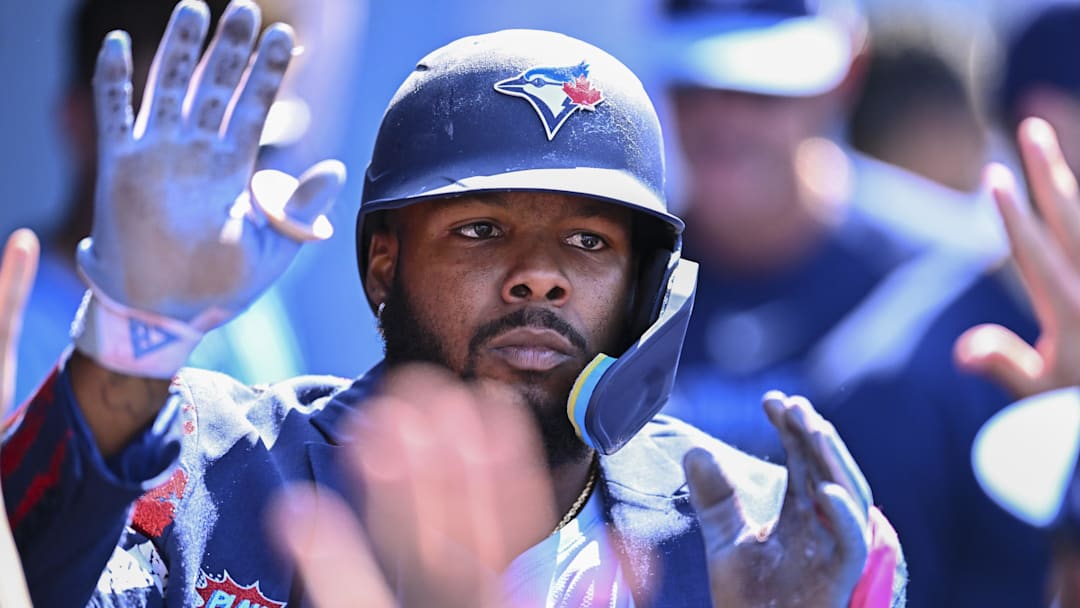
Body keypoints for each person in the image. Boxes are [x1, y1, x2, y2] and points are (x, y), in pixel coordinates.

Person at [1, 1, 906, 606]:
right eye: (480, 229)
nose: (540, 276)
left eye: (589, 242)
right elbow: (31, 570)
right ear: (382, 266)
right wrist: (128, 347)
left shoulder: (750, 536)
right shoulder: (212, 465)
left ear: (648, 290)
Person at [12, 0, 310, 409]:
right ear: (78, 121)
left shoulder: (248, 300)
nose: (222, 177)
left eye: (251, 141)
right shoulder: (16, 329)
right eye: (180, 143)